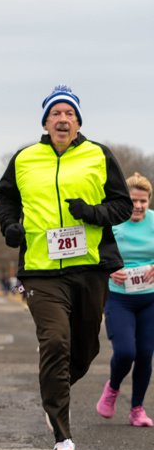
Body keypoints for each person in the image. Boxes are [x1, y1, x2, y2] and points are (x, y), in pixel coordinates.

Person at [0, 84, 131, 450]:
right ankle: (62, 441)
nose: (62, 118)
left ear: (78, 122)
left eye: (69, 113)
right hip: (41, 269)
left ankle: (54, 388)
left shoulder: (99, 155)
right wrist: (10, 226)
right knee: (55, 340)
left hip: (89, 267)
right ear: (45, 122)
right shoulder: (25, 158)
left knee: (85, 347)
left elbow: (122, 205)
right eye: (55, 113)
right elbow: (5, 197)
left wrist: (91, 213)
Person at [96, 173, 154, 427]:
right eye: (133, 201)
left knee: (145, 354)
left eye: (143, 201)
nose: (138, 206)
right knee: (125, 351)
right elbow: (94, 253)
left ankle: (137, 409)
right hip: (119, 298)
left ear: (149, 201)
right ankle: (112, 388)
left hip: (150, 299)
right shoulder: (112, 222)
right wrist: (109, 269)